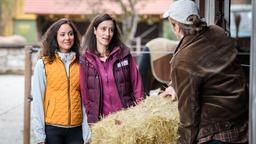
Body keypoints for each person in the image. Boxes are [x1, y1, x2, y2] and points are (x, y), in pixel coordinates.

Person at [162, 0, 249, 143]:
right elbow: (206, 70)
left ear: (176, 27)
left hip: (215, 132)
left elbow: (188, 114)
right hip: (240, 121)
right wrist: (174, 85)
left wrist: (183, 141)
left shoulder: (184, 60)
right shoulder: (218, 31)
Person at [32, 18, 91, 144]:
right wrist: (39, 135)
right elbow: (37, 100)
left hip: (76, 129)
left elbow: (85, 101)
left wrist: (86, 132)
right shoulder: (43, 64)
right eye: (62, 34)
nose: (67, 38)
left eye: (70, 34)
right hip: (52, 128)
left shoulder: (81, 64)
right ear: (55, 37)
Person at [80, 13, 144, 124]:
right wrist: (91, 120)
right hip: (102, 123)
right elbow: (85, 94)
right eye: (103, 29)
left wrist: (140, 112)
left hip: (126, 119)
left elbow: (137, 84)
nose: (107, 34)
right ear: (95, 30)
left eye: (111, 30)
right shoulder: (86, 60)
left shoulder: (124, 54)